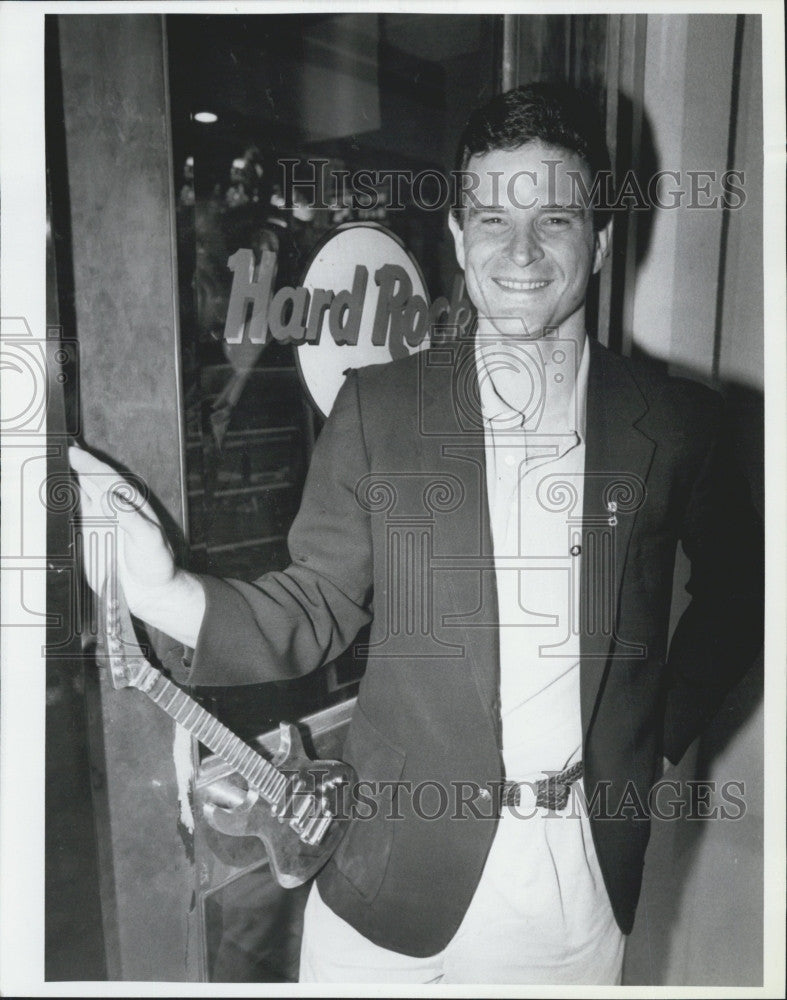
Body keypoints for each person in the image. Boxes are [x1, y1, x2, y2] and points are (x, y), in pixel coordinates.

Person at [69, 82, 763, 984]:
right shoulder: (380, 408)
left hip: (569, 890)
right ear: (458, 239)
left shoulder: (677, 424)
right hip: (384, 879)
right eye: (489, 219)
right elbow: (313, 605)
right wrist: (162, 589)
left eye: (552, 219)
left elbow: (745, 588)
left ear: (597, 239)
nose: (518, 250)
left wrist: (656, 738)